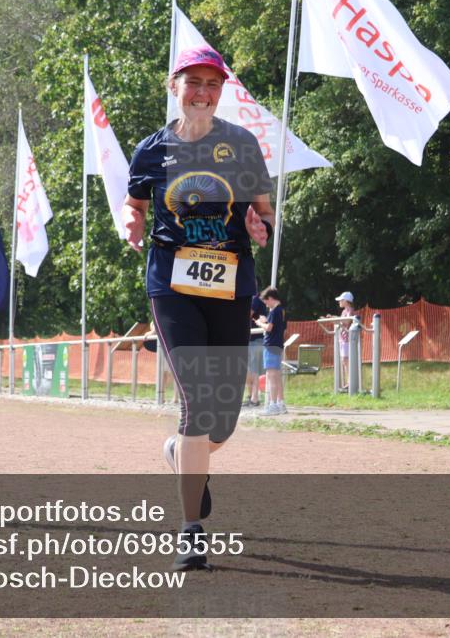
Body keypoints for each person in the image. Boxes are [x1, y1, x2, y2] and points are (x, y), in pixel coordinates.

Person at [123, 45, 275, 571]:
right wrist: (131, 223)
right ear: (175, 87)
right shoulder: (151, 150)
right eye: (194, 83)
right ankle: (191, 529)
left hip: (231, 286)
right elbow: (135, 202)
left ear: (221, 91)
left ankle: (178, 456)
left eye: (213, 84)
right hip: (172, 286)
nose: (203, 93)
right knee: (195, 401)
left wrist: (262, 225)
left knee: (223, 422)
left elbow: (264, 211)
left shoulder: (242, 144)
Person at [257, 286, 287, 416]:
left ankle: (273, 405)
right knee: (277, 376)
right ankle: (280, 403)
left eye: (266, 302)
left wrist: (260, 323)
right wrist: (266, 320)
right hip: (278, 344)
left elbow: (269, 328)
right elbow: (278, 327)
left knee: (271, 376)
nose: (266, 304)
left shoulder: (275, 311)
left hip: (271, 345)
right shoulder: (282, 311)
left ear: (270, 298)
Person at [243, 293, 268, 407]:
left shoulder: (255, 299)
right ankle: (250, 396)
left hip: (256, 339)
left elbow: (247, 314)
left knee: (254, 369)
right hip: (249, 340)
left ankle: (255, 398)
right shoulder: (250, 299)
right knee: (248, 369)